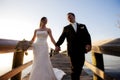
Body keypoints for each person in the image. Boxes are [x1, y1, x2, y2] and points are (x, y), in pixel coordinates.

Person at [55, 12, 91, 80]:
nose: (69, 18)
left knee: (80, 66)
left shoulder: (82, 26)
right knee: (74, 67)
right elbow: (62, 37)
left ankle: (76, 77)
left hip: (81, 50)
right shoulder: (66, 28)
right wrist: (57, 45)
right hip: (72, 50)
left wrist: (88, 44)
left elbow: (87, 36)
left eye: (70, 16)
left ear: (74, 16)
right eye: (67, 17)